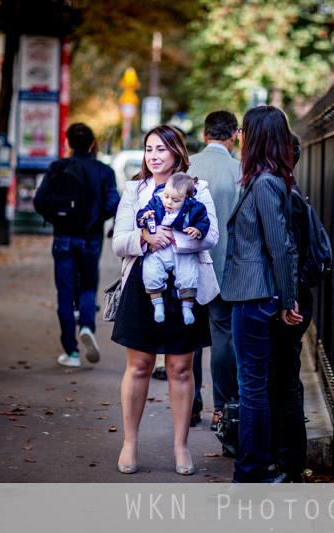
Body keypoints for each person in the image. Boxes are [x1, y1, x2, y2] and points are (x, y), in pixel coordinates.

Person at [111, 125, 219, 475]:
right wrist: (144, 238)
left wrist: (172, 238)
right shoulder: (134, 189)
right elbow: (118, 240)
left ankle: (181, 446)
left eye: (161, 149)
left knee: (180, 369)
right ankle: (130, 443)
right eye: (148, 149)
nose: (153, 156)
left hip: (185, 288)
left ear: (176, 153)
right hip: (143, 287)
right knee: (139, 366)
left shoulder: (197, 187)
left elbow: (211, 235)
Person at [220, 106, 302, 483]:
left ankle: (249, 473)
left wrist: (288, 301)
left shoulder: (266, 182)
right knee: (254, 384)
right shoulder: (264, 179)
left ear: (256, 137)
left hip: (256, 296)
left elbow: (281, 246)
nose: (240, 137)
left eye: (245, 131)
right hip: (253, 294)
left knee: (251, 386)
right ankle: (252, 469)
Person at [34, 123, 119, 368]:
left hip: (62, 237)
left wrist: (57, 218)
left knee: (64, 293)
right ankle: (87, 327)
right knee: (87, 286)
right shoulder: (104, 171)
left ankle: (70, 352)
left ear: (69, 143)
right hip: (90, 238)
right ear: (92, 143)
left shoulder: (56, 167)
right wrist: (95, 219)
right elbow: (114, 203)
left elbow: (40, 200)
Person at [187, 110, 241, 431]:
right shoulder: (241, 170)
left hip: (187, 265)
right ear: (234, 136)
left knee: (191, 337)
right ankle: (222, 408)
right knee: (223, 337)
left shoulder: (185, 165)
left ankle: (190, 405)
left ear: (206, 134)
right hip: (225, 267)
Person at [267, 133, 313, 483]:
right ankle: (280, 460)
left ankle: (291, 467)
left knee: (283, 384)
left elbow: (289, 255)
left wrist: (287, 301)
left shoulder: (286, 198)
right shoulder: (286, 192)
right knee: (279, 381)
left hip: (290, 302)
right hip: (289, 299)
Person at [136, 172, 210, 325]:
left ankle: (187, 307)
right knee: (151, 270)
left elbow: (203, 221)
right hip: (159, 249)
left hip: (181, 250)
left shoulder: (195, 208)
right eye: (166, 196)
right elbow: (142, 215)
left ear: (187, 199)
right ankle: (158, 305)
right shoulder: (156, 201)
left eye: (175, 200)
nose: (168, 202)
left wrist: (198, 230)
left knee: (188, 274)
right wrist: (144, 218)